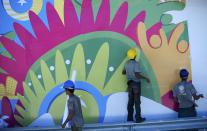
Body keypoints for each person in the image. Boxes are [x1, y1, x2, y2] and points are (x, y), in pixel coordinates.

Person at [122, 48, 150, 123]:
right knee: (137, 102)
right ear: (134, 55)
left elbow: (123, 72)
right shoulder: (136, 63)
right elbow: (137, 75)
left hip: (130, 84)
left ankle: (129, 118)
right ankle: (138, 118)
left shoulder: (126, 63)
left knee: (130, 102)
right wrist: (145, 78)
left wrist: (129, 72)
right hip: (136, 85)